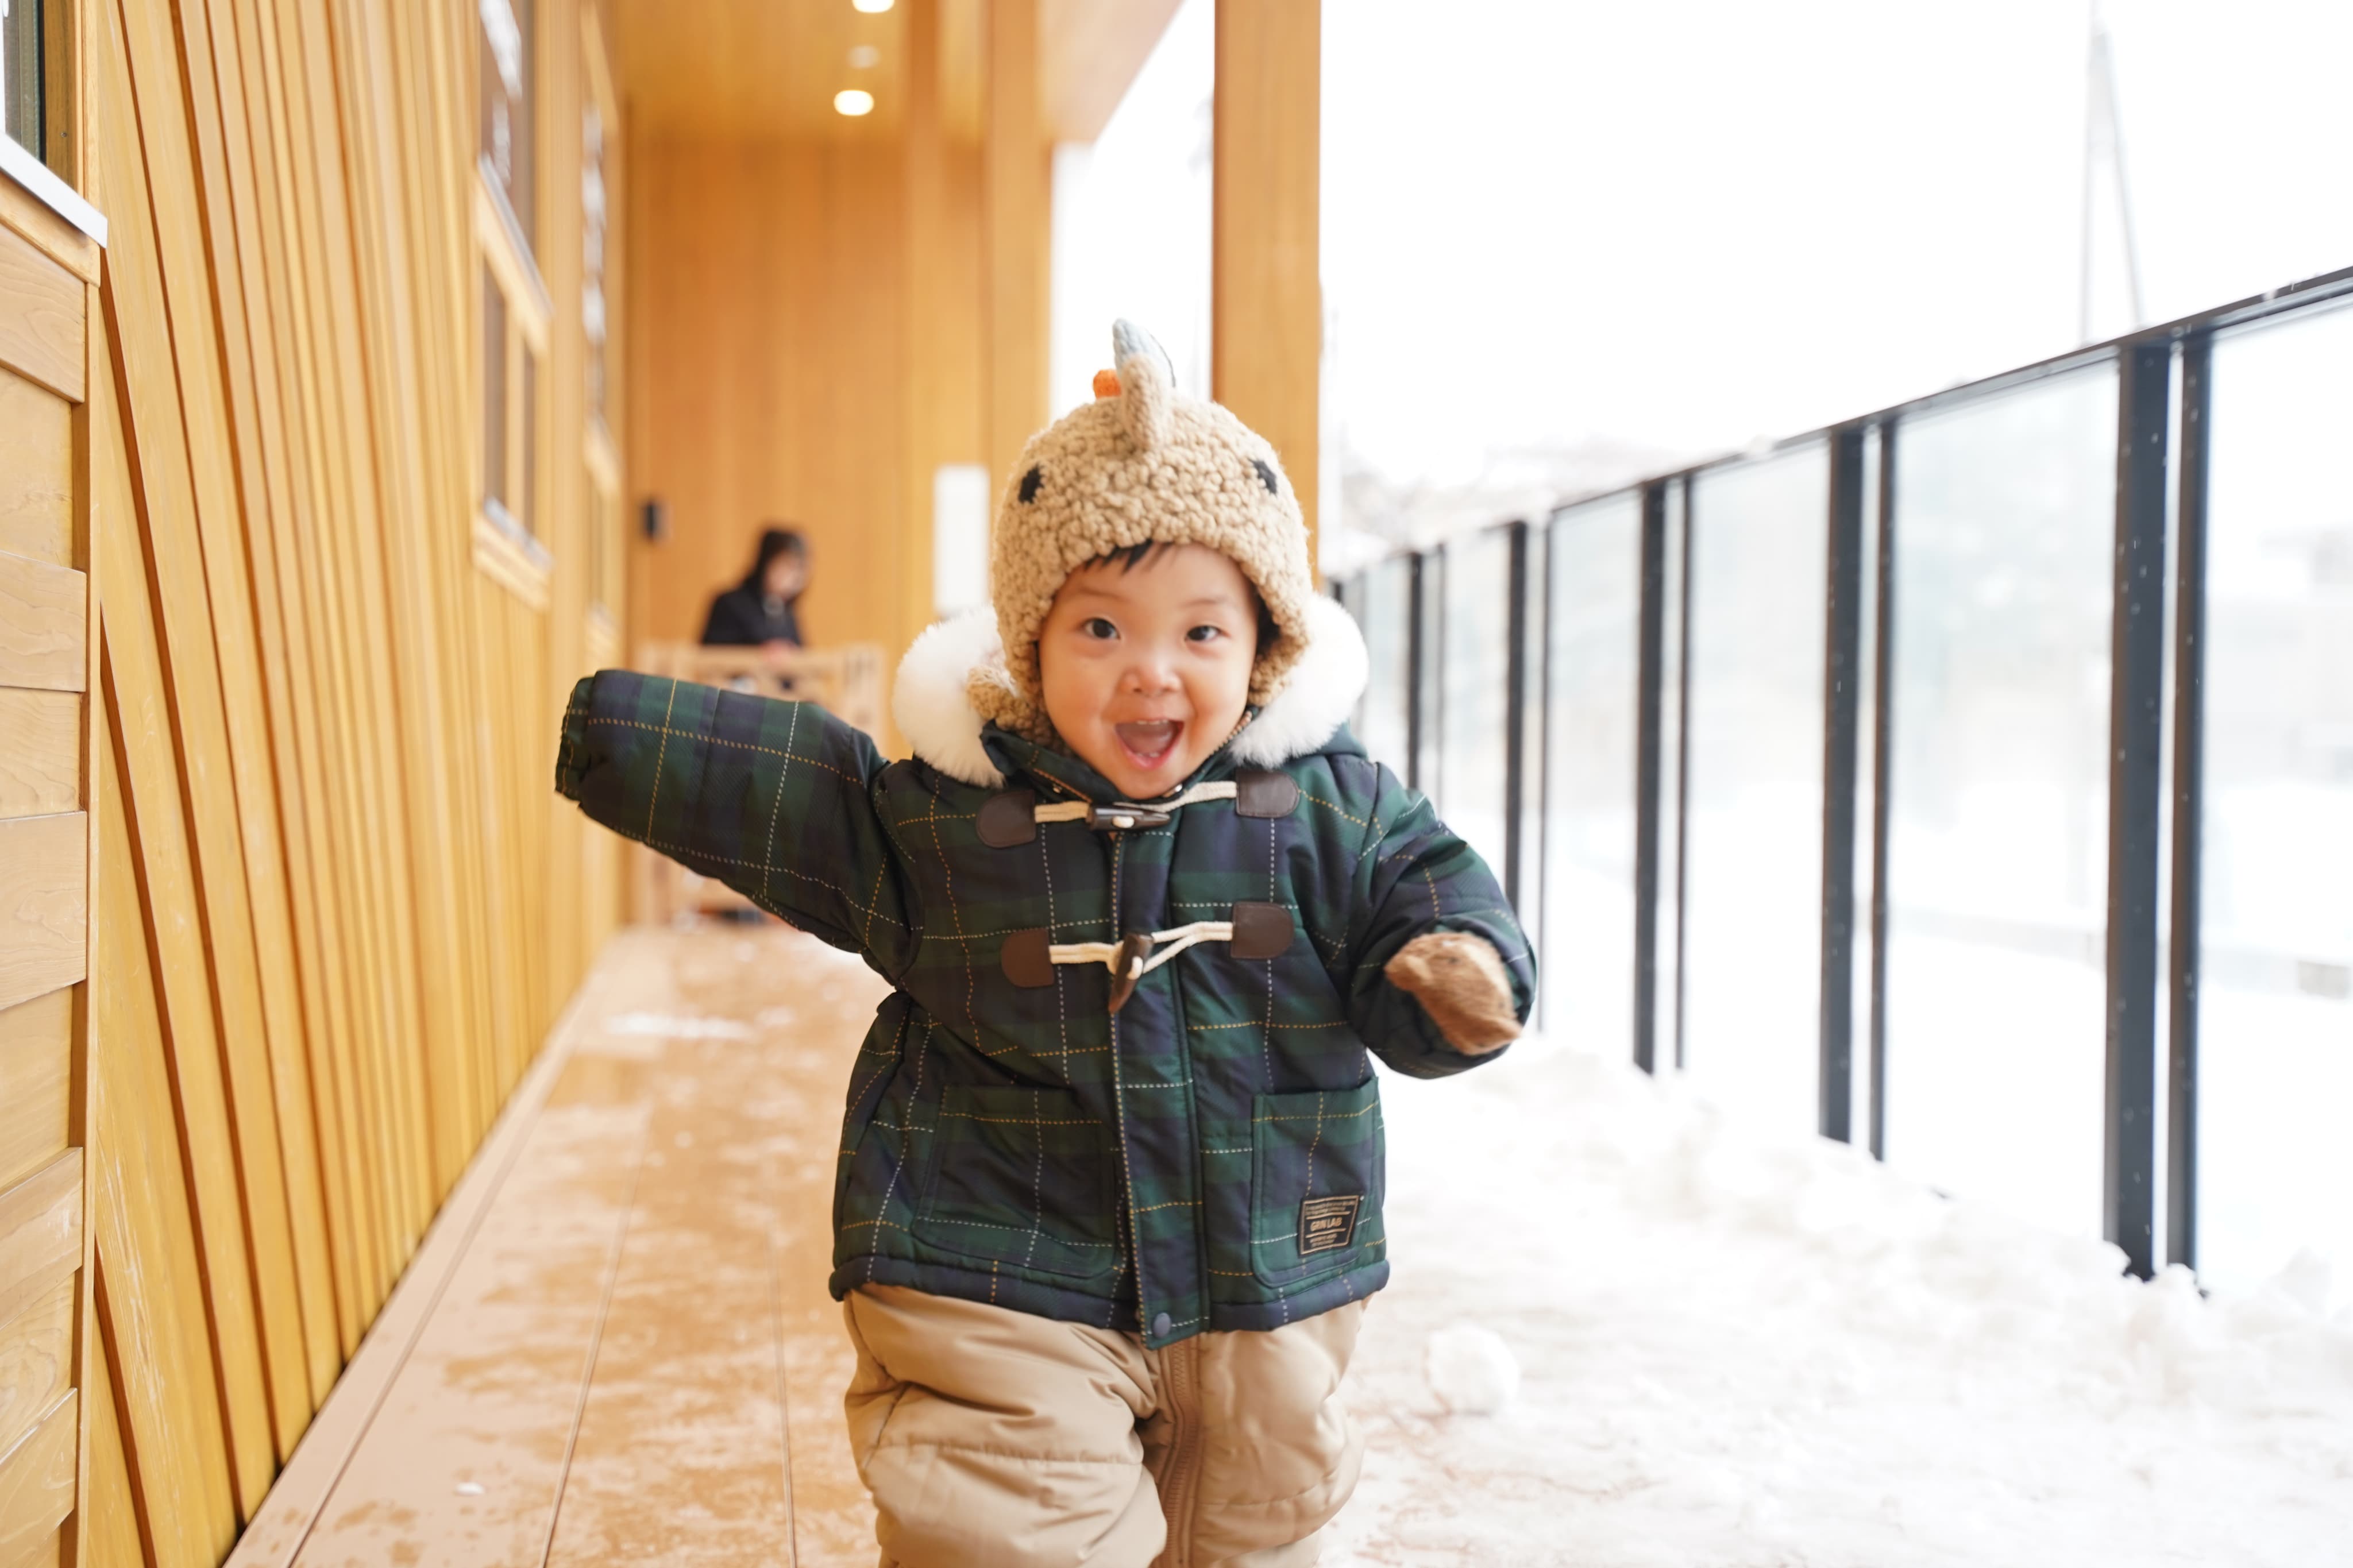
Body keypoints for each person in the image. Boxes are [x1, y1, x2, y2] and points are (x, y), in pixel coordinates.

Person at [554, 321, 1532, 1567]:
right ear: (1028, 644)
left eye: (1201, 633)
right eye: (1101, 630)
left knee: (1254, 1516)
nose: (1151, 673)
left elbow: (1424, 890)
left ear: (1265, 647)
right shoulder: (958, 819)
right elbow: (811, 804)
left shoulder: (1331, 813)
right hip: (993, 1258)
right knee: (1006, 1523)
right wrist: (619, 736)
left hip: (1265, 1265)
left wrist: (1453, 968)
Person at [701, 525, 808, 649]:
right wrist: (760, 651)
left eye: (800, 569)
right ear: (766, 563)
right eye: (788, 566)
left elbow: (802, 652)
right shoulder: (730, 604)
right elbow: (713, 653)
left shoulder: (786, 611)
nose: (795, 576)